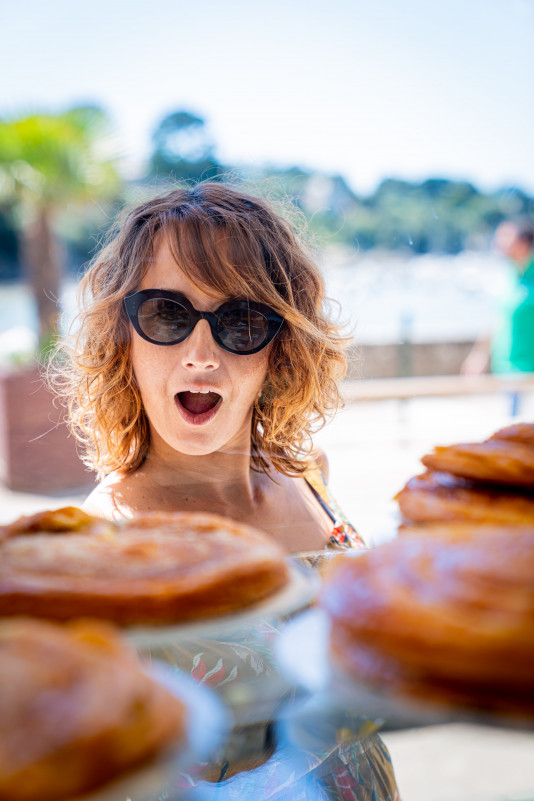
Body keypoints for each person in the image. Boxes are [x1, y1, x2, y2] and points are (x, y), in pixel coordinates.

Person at [51, 182, 399, 800]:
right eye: (167, 313)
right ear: (121, 337)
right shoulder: (104, 545)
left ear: (281, 347)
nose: (201, 353)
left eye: (240, 321)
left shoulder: (312, 475)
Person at [461, 217, 534, 378]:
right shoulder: (509, 274)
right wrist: (480, 354)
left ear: (524, 242)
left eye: (505, 237)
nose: (498, 242)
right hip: (505, 371)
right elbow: (499, 318)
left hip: (528, 372)